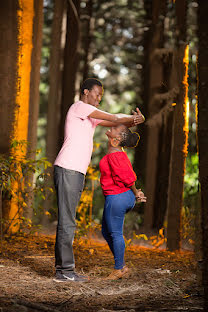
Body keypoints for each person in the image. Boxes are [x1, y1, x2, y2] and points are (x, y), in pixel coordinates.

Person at [53, 78, 145, 283]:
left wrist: (137, 120)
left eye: (102, 95)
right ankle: (64, 271)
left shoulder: (90, 118)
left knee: (69, 221)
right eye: (97, 93)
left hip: (75, 172)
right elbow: (112, 116)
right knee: (67, 222)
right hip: (67, 168)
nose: (99, 97)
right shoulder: (79, 107)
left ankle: (65, 270)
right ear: (86, 91)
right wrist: (131, 117)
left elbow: (116, 123)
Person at [99, 124, 146, 280]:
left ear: (116, 139)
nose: (110, 128)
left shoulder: (115, 155)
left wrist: (136, 193)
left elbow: (128, 177)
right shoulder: (117, 151)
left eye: (114, 129)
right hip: (118, 195)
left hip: (118, 196)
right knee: (106, 231)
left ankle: (119, 268)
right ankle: (121, 265)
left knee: (115, 233)